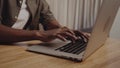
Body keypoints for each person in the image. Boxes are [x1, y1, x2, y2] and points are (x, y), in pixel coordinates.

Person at [0, 0, 89, 43]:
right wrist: (39, 34)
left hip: (19, 48)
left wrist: (67, 32)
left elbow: (51, 23)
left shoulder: (38, 1)